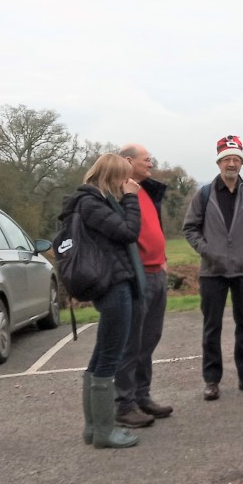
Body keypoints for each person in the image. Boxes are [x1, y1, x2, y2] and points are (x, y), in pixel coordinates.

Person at [60, 153, 145, 449]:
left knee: (99, 357)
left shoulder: (89, 203)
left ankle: (93, 428)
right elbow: (128, 232)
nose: (128, 183)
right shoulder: (91, 203)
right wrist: (132, 199)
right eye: (124, 178)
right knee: (109, 358)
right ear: (112, 178)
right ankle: (105, 431)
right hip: (113, 285)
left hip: (108, 283)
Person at [183, 135, 243, 400]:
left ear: (241, 163)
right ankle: (212, 380)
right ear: (219, 162)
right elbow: (190, 228)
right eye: (226, 159)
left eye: (236, 159)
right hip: (212, 272)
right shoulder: (205, 194)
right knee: (212, 328)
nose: (231, 163)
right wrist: (209, 252)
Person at [113, 144, 173, 429]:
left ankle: (141, 396)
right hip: (136, 277)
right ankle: (124, 405)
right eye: (147, 160)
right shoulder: (118, 192)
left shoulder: (147, 190)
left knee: (149, 338)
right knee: (131, 342)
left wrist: (163, 260)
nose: (151, 165)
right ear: (128, 161)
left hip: (157, 273)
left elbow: (154, 229)